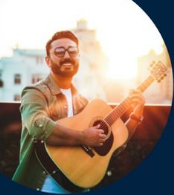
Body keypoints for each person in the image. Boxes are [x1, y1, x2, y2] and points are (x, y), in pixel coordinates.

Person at [12, 30, 145, 193]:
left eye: (72, 51)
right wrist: (83, 137)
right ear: (48, 60)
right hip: (43, 185)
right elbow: (37, 125)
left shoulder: (83, 102)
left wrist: (135, 115)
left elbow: (115, 145)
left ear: (78, 58)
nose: (67, 56)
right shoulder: (35, 92)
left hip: (80, 186)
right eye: (59, 51)